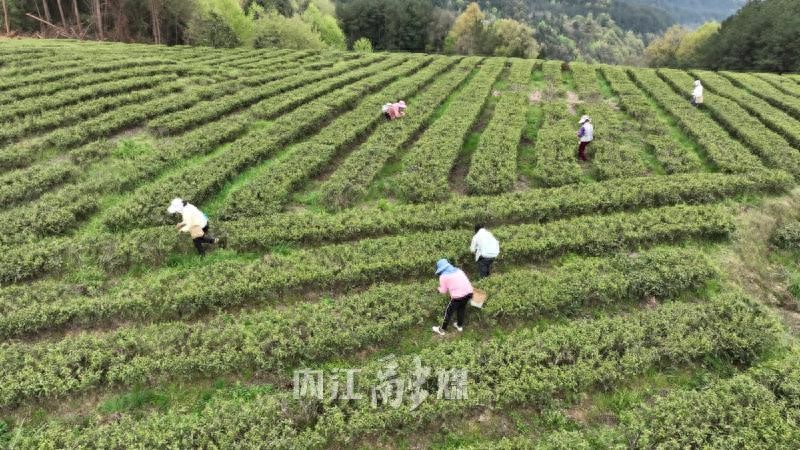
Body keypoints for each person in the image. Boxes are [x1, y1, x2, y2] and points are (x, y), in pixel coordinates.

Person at [432, 259, 473, 336]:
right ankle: (459, 326)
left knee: (448, 312)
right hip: (469, 293)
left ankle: (442, 329)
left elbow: (443, 291)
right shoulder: (459, 271)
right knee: (461, 309)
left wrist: (438, 289)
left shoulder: (443, 277)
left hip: (458, 297)